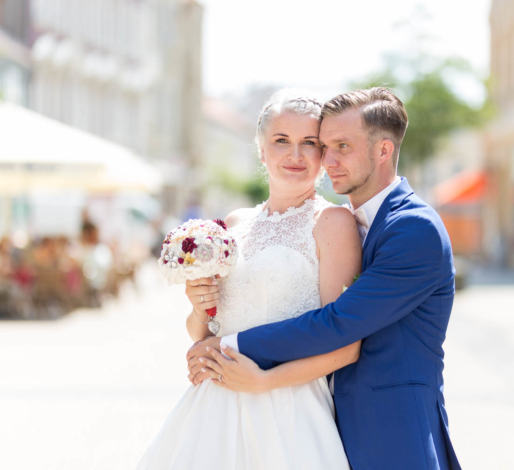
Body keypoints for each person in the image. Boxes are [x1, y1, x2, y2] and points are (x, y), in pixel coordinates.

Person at [191, 88, 461, 470]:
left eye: (341, 146)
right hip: (327, 422)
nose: (327, 160)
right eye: (327, 146)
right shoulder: (355, 220)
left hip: (392, 433)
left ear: (383, 151)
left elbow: (338, 323)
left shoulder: (413, 228)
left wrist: (227, 347)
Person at [136, 89, 360, 470]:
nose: (295, 155)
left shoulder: (334, 224)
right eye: (281, 141)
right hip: (214, 408)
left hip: (289, 409)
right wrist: (198, 307)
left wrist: (263, 383)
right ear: (261, 150)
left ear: (324, 154)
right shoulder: (234, 224)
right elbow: (205, 329)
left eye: (309, 143)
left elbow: (344, 346)